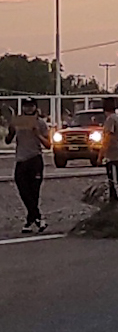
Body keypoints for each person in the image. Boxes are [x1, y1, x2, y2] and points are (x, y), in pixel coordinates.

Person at [5, 98, 51, 233]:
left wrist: (37, 134)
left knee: (34, 192)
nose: (28, 109)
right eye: (26, 106)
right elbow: (8, 140)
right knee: (23, 190)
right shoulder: (18, 122)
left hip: (35, 159)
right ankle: (37, 217)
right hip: (21, 160)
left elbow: (48, 145)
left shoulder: (40, 123)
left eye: (31, 106)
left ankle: (31, 220)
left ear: (35, 108)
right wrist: (11, 130)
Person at [96, 97, 118, 203]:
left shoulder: (110, 119)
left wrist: (101, 155)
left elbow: (107, 138)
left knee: (114, 183)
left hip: (113, 154)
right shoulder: (117, 118)